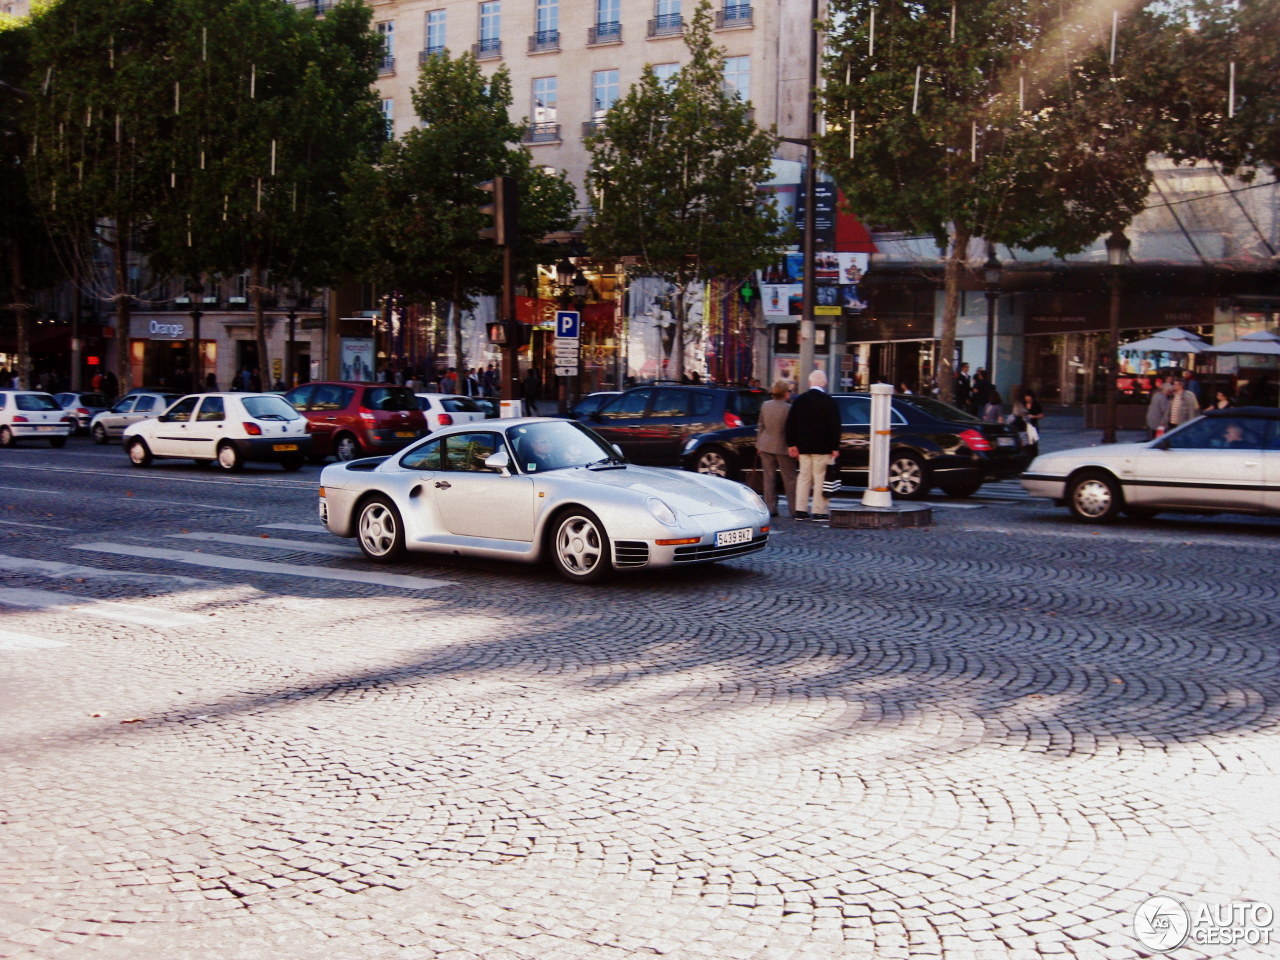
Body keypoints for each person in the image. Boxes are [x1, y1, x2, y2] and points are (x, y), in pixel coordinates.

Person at [784, 369, 842, 523]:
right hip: (823, 447)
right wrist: (835, 447)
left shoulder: (799, 400)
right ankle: (819, 511)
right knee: (820, 479)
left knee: (804, 478)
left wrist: (792, 444)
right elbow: (835, 426)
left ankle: (800, 510)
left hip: (803, 447)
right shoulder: (829, 402)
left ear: (810, 382)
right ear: (824, 383)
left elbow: (790, 424)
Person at [756, 380, 799, 518]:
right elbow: (791, 429)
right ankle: (794, 509)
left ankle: (771, 507)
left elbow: (761, 426)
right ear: (785, 393)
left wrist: (758, 444)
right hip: (783, 446)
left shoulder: (765, 405)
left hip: (766, 445)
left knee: (769, 479)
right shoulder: (788, 408)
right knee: (790, 479)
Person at [1012, 388, 1044, 455]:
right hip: (1024, 425)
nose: (1027, 398)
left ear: (1031, 397)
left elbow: (1041, 415)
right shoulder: (1023, 404)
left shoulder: (1036, 404)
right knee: (1026, 442)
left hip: (1033, 425)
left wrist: (1034, 416)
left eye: (1028, 396)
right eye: (1026, 396)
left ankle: (1034, 454)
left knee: (1034, 441)